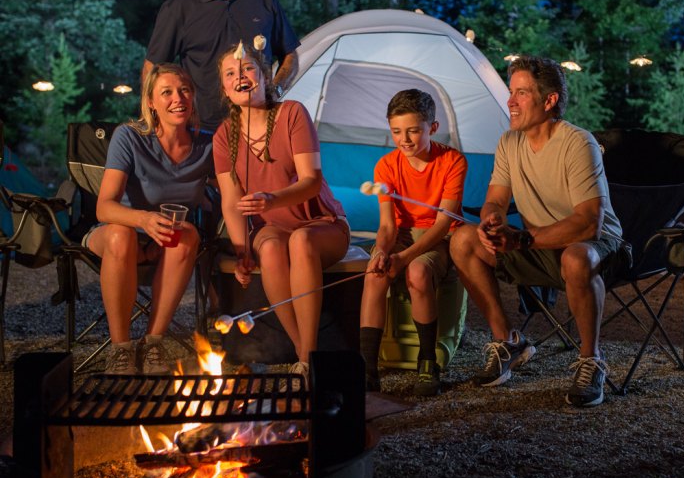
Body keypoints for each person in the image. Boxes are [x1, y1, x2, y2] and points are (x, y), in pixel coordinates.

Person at [449, 55, 630, 408]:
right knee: (463, 240)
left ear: (549, 101)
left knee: (577, 256)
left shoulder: (578, 143)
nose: (510, 101)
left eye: (521, 93)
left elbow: (588, 222)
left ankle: (591, 360)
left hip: (600, 247)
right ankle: (508, 343)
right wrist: (492, 222)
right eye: (511, 92)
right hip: (540, 246)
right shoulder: (509, 143)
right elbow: (495, 201)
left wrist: (522, 239)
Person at [213, 42, 350, 381]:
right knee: (272, 247)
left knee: (301, 241)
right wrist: (243, 250)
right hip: (272, 228)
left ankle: (307, 354)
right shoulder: (223, 136)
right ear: (225, 89)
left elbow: (311, 181)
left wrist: (271, 199)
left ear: (264, 76)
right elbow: (231, 203)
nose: (240, 77)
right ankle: (304, 350)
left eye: (247, 69)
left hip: (320, 223)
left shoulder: (291, 113)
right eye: (231, 74)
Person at [90, 63, 214, 374]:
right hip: (121, 231)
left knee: (188, 234)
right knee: (121, 233)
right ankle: (120, 349)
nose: (178, 99)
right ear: (150, 102)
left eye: (184, 90)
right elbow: (104, 207)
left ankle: (153, 342)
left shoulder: (208, 144)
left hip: (167, 241)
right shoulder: (129, 137)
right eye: (167, 92)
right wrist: (144, 220)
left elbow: (231, 186)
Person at [358, 90, 468, 396]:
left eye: (413, 131)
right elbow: (387, 225)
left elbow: (443, 223)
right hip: (402, 234)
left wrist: (404, 258)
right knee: (374, 272)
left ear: (432, 128)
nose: (404, 139)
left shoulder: (452, 161)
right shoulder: (386, 166)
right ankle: (368, 367)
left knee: (418, 273)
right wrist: (382, 250)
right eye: (396, 132)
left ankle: (427, 361)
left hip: (438, 236)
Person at [143, 0, 300, 131]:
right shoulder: (177, 7)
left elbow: (290, 55)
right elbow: (152, 70)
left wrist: (275, 91)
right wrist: (160, 126)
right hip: (201, 133)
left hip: (259, 128)